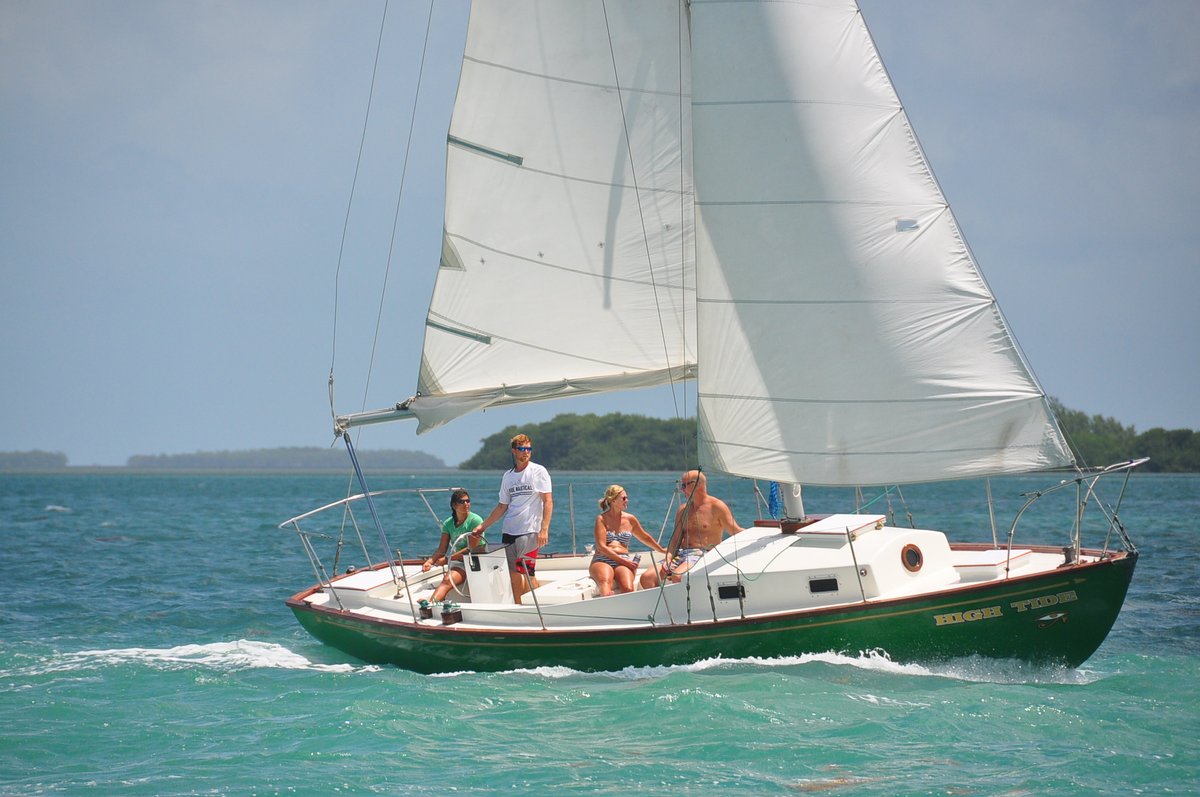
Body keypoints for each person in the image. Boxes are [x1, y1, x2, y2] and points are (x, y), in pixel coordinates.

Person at [474, 434, 552, 604]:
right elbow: (502, 506)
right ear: (514, 451)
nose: (526, 453)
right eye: (522, 449)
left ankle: (540, 608)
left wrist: (544, 528)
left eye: (529, 449)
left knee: (528, 572)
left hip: (530, 530)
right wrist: (482, 526)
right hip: (509, 531)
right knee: (513, 574)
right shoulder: (508, 476)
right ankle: (519, 606)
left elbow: (548, 501)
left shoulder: (538, 471)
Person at [639, 470, 741, 590]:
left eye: (684, 485)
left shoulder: (717, 507)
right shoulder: (683, 510)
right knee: (647, 578)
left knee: (678, 576)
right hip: (682, 554)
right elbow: (675, 540)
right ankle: (663, 607)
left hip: (704, 554)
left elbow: (735, 530)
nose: (682, 489)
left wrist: (760, 534)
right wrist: (668, 559)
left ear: (697, 484)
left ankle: (680, 607)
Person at [589, 484, 667, 596]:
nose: (627, 500)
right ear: (613, 500)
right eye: (624, 498)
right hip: (603, 559)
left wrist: (661, 550)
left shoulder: (630, 519)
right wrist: (626, 562)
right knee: (605, 583)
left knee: (628, 588)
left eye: (627, 497)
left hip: (623, 558)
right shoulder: (601, 519)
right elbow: (602, 547)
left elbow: (644, 537)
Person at [423, 488, 485, 603]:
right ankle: (433, 604)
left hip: (476, 561)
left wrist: (447, 559)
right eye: (462, 502)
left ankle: (431, 605)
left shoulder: (475, 520)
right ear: (454, 505)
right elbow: (442, 549)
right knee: (447, 580)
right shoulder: (448, 523)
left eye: (468, 501)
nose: (466, 504)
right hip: (460, 561)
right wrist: (430, 561)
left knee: (447, 580)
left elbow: (470, 549)